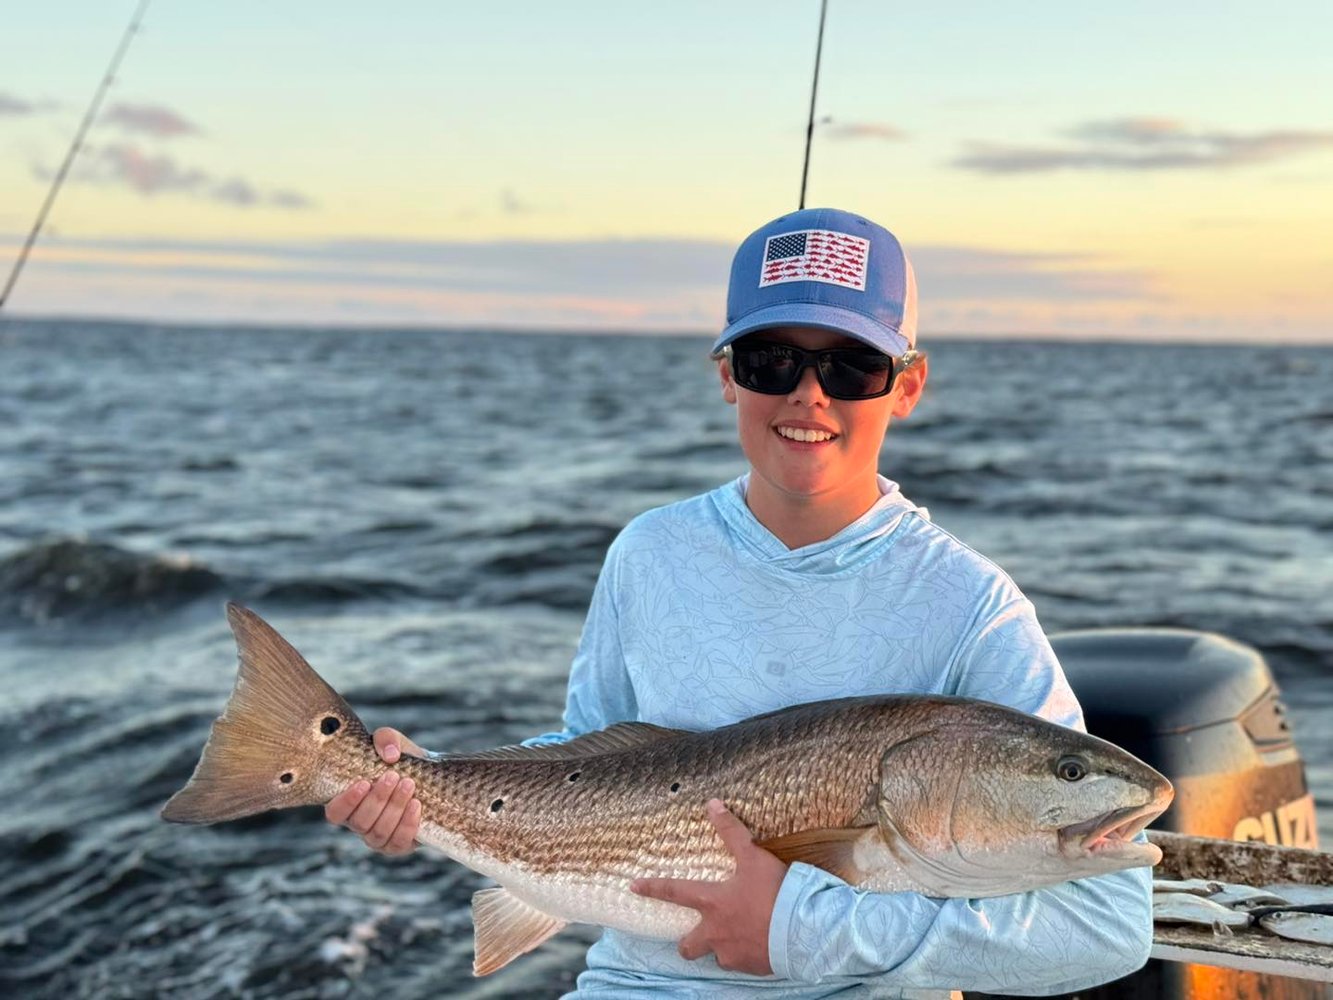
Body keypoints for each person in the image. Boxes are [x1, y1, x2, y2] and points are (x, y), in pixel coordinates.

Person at [325, 207, 1154, 997]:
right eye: (771, 362)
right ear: (727, 375)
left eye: (851, 365)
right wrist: (419, 786)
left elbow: (1105, 931)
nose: (808, 394)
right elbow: (587, 756)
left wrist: (801, 931)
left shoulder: (971, 604)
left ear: (906, 386)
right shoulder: (649, 551)